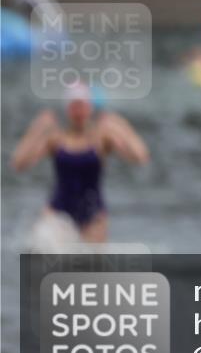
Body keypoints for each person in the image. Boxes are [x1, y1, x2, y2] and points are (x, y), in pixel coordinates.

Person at [11, 85, 149, 243]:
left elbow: (140, 157)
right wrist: (36, 128)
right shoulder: (56, 139)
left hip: (94, 218)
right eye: (74, 106)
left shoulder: (101, 138)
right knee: (45, 254)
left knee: (90, 265)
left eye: (82, 106)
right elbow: (19, 164)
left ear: (90, 108)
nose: (79, 112)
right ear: (67, 109)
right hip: (57, 212)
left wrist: (120, 124)